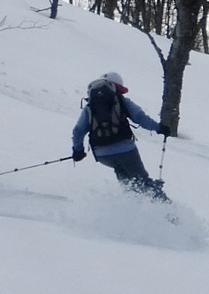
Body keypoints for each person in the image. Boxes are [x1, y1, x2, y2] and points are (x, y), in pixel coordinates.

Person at [72, 71, 169, 200]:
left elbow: (78, 131)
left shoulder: (90, 107)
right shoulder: (122, 101)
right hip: (126, 151)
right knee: (143, 181)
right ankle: (168, 212)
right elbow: (140, 118)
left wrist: (78, 150)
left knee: (124, 177)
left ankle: (130, 205)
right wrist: (159, 128)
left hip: (103, 155)